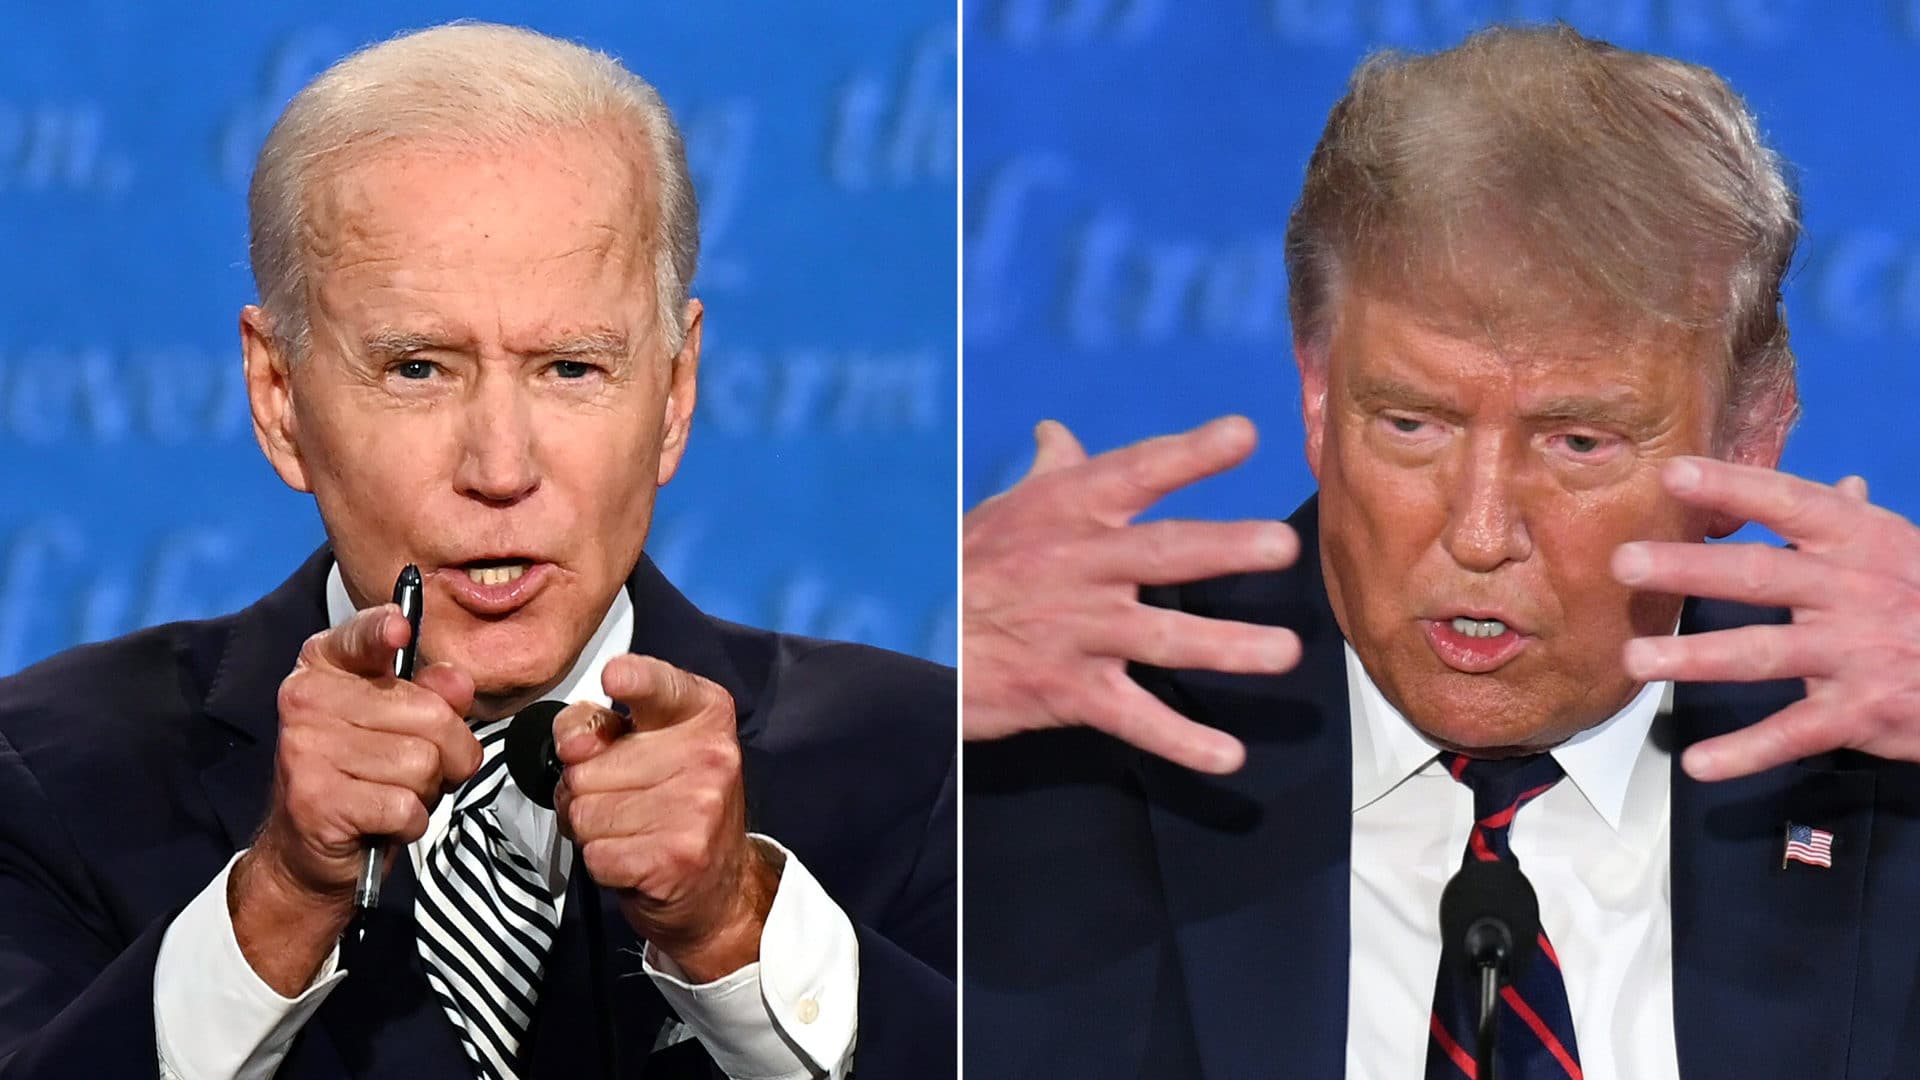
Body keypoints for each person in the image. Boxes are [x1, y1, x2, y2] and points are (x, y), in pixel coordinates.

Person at [964, 24, 1920, 1080]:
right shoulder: (1051, 758)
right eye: (1412, 424)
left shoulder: (1878, 770)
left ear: (1752, 438)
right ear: (1318, 396)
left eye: (1577, 442)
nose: (1476, 533)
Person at [0, 23, 954, 1080]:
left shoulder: (930, 771)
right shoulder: (43, 779)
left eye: (571, 369)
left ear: (675, 395)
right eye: (418, 368)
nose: (501, 466)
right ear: (279, 400)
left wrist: (739, 933)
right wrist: (274, 907)